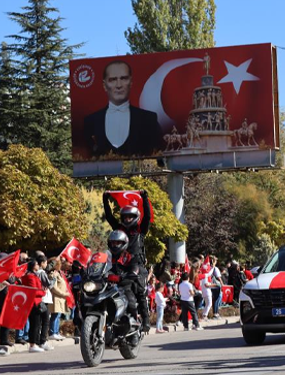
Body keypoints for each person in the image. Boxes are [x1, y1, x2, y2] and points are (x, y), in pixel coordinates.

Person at [84, 60, 162, 157]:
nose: (119, 85)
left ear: (131, 82)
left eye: (124, 78)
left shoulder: (149, 119)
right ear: (104, 85)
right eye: (113, 79)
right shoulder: (90, 122)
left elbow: (158, 152)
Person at [103, 189, 152, 332]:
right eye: (125, 217)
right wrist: (105, 199)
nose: (127, 219)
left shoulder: (140, 230)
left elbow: (147, 216)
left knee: (140, 292)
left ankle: (146, 320)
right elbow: (109, 216)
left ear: (136, 217)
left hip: (137, 266)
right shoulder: (119, 228)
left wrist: (144, 197)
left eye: (130, 217)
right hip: (119, 265)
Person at [21, 259, 50, 353]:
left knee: (44, 320)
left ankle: (40, 341)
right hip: (35, 302)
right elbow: (33, 290)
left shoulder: (32, 275)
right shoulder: (30, 276)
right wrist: (43, 292)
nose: (38, 266)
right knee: (35, 324)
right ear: (33, 266)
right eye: (37, 264)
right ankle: (33, 344)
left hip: (37, 301)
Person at [48, 258, 70, 341]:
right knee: (55, 316)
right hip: (56, 297)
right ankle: (52, 332)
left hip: (60, 298)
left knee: (58, 316)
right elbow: (53, 288)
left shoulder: (58, 273)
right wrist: (63, 293)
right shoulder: (53, 274)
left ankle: (56, 332)